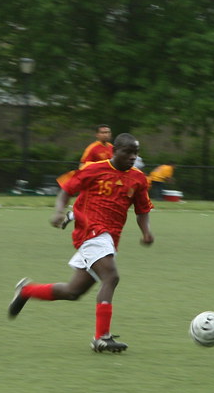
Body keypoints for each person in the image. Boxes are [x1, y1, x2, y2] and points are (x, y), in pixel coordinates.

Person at [8, 133, 154, 353]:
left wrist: (146, 232)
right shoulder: (94, 169)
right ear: (115, 151)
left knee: (73, 292)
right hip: (90, 230)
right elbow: (66, 190)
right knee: (111, 277)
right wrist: (59, 211)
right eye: (128, 152)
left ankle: (27, 291)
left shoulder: (138, 179)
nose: (133, 157)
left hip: (109, 238)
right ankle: (101, 338)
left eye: (136, 152)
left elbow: (142, 209)